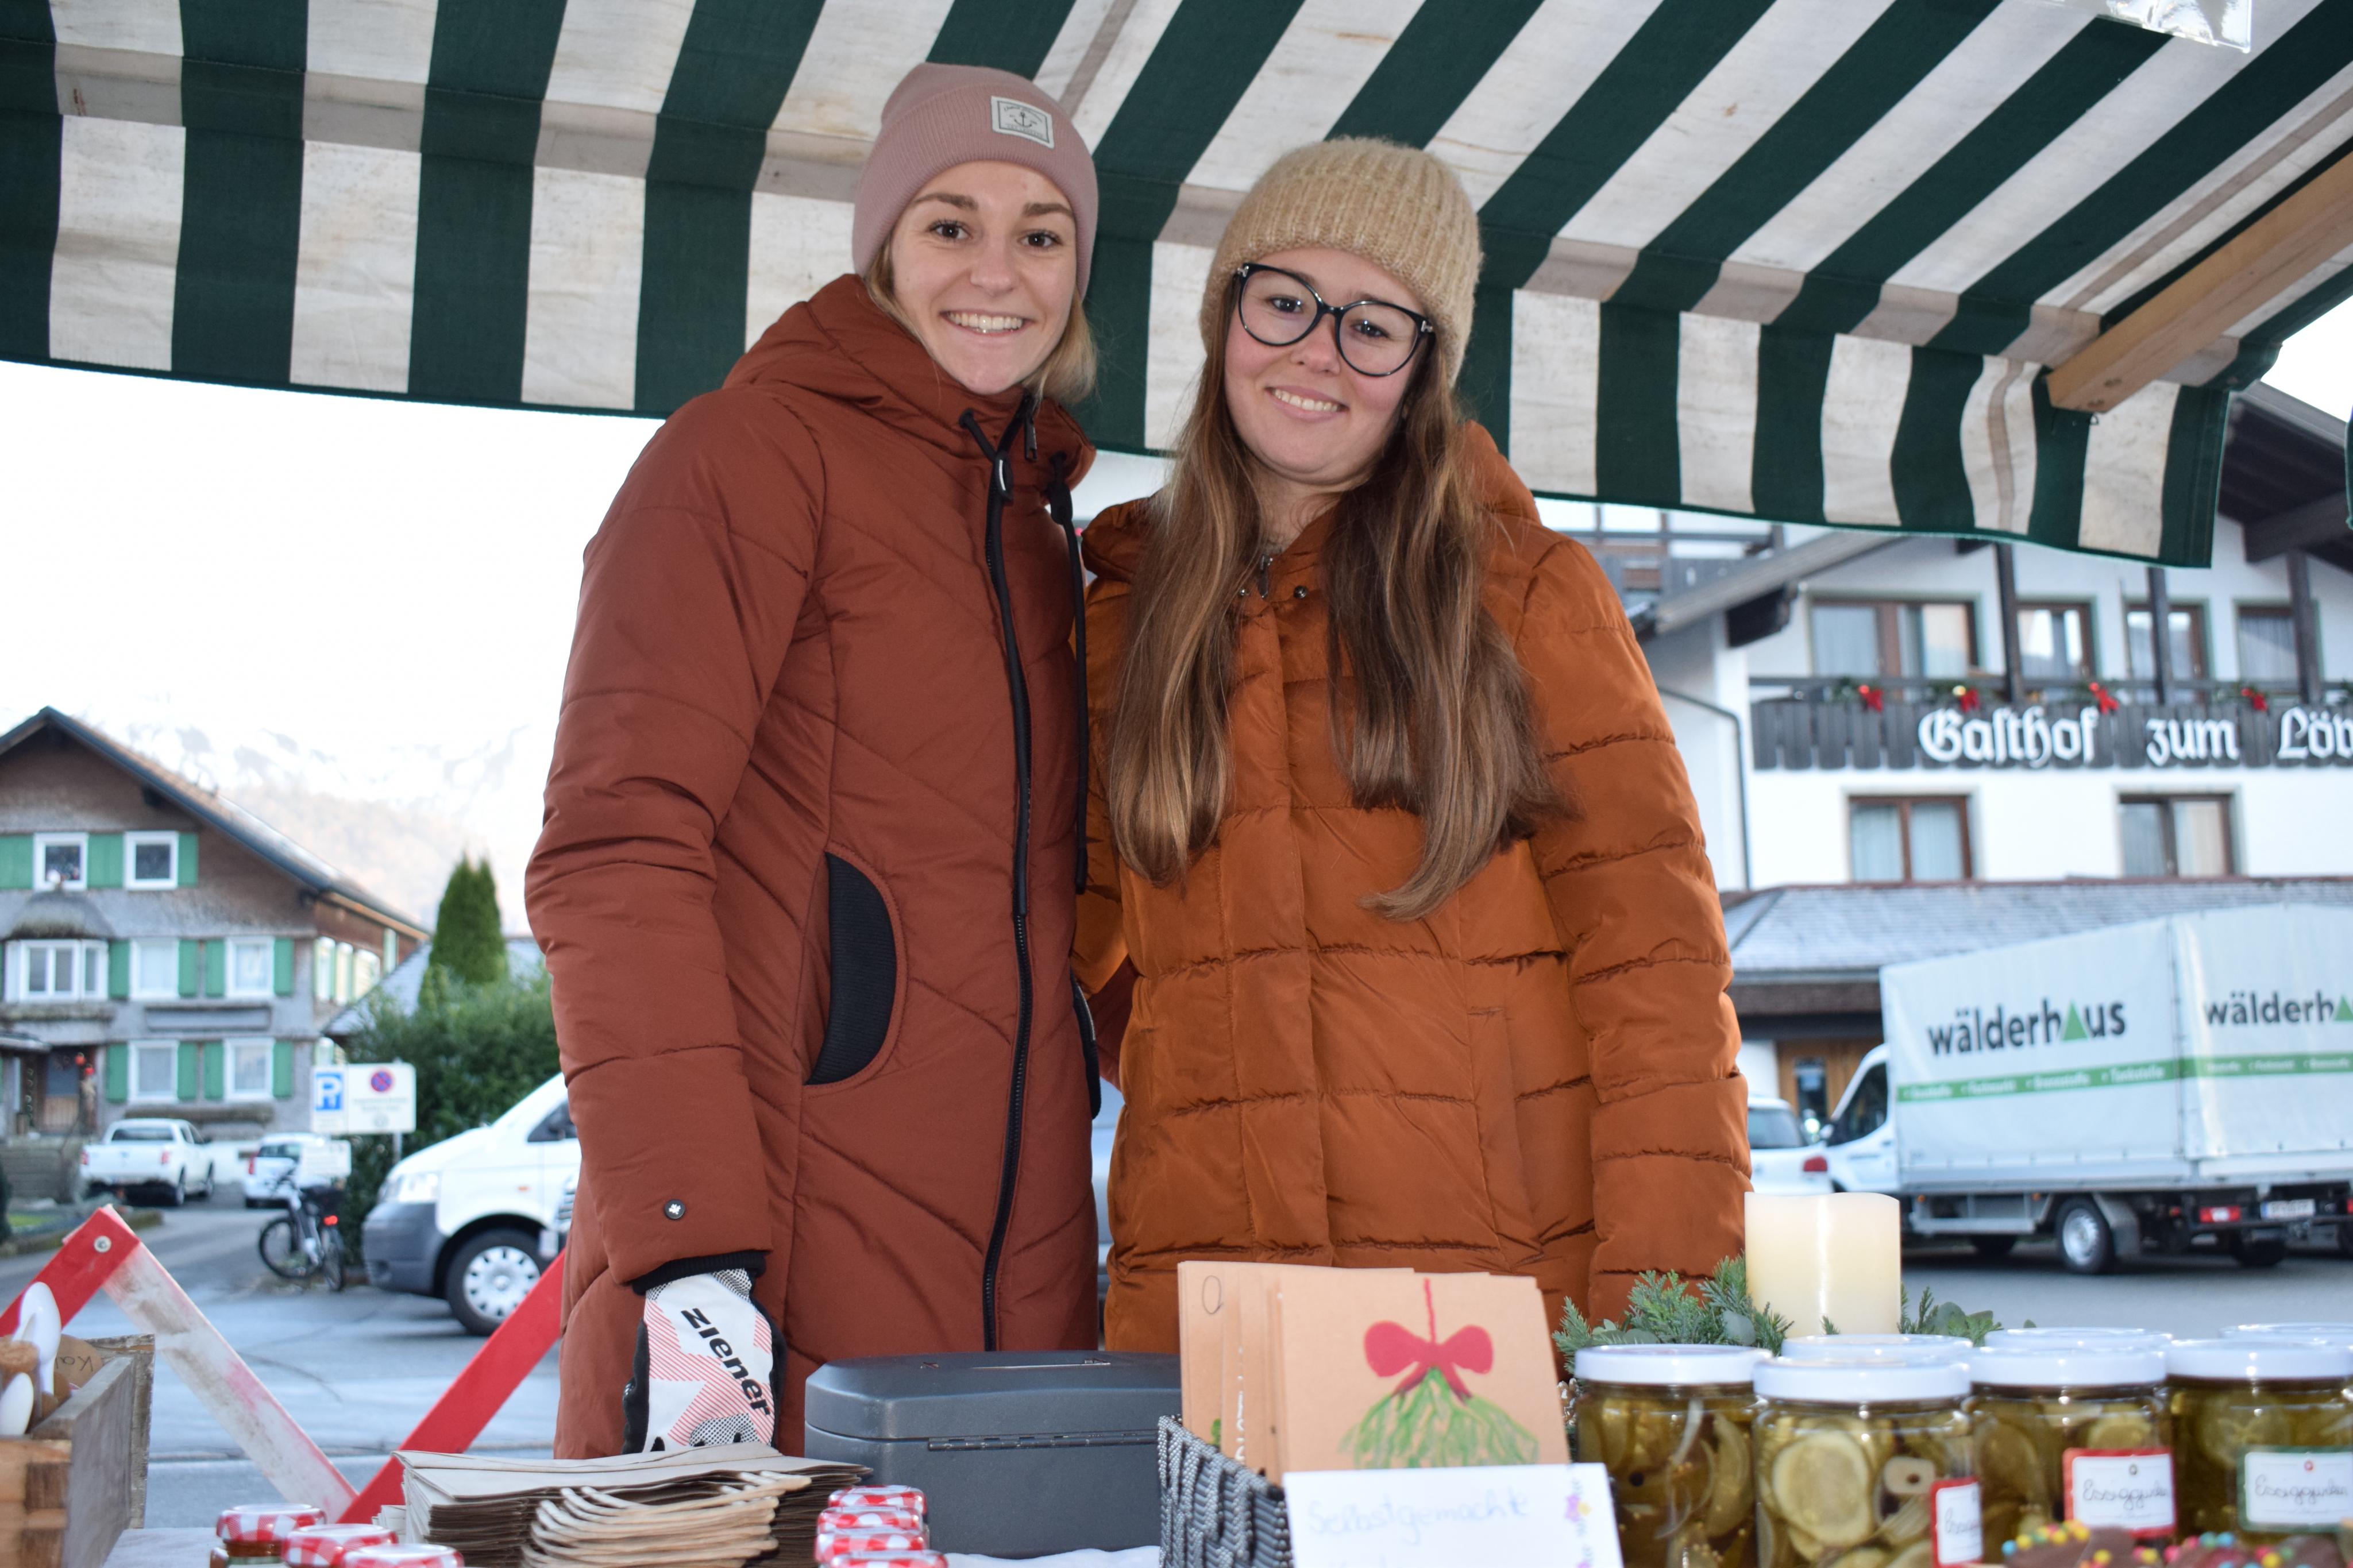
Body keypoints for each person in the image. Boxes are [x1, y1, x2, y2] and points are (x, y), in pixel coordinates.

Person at [1074, 139, 1750, 1354]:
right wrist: (1200, 1074)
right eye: (1284, 301)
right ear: (1224, 317)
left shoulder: (1527, 597)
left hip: (1487, 1323)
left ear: (1421, 368)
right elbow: (1061, 956)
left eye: (1373, 326)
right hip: (1208, 1311)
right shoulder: (1125, 618)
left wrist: (1665, 1330)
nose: (1316, 352)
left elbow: (1656, 981)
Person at [526, 64, 1104, 1457]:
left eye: (1040, 235)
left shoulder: (1039, 532)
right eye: (949, 224)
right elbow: (615, 845)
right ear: (883, 247)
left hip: (1023, 1270)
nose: (995, 272)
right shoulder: (745, 454)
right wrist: (686, 1242)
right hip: (768, 1255)